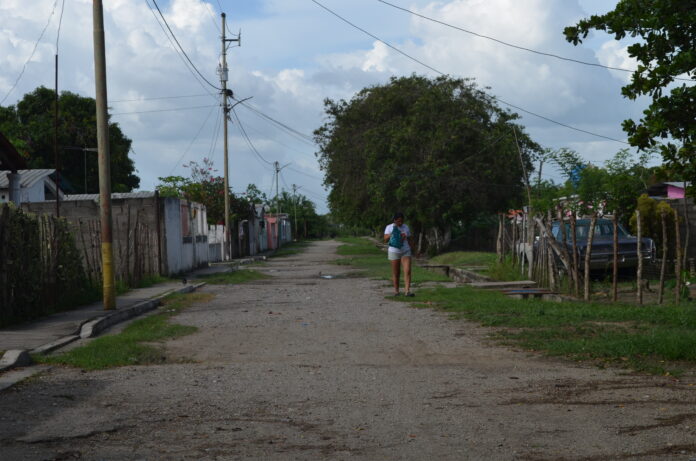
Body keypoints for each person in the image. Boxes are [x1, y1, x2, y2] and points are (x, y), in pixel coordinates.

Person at [384, 212, 416, 297]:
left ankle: (407, 291)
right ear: (394, 220)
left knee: (408, 270)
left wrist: (414, 249)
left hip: (405, 251)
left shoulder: (406, 227)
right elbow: (385, 239)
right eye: (398, 221)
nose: (400, 223)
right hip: (394, 252)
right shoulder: (389, 227)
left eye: (402, 221)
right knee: (396, 272)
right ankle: (396, 291)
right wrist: (392, 234)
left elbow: (410, 239)